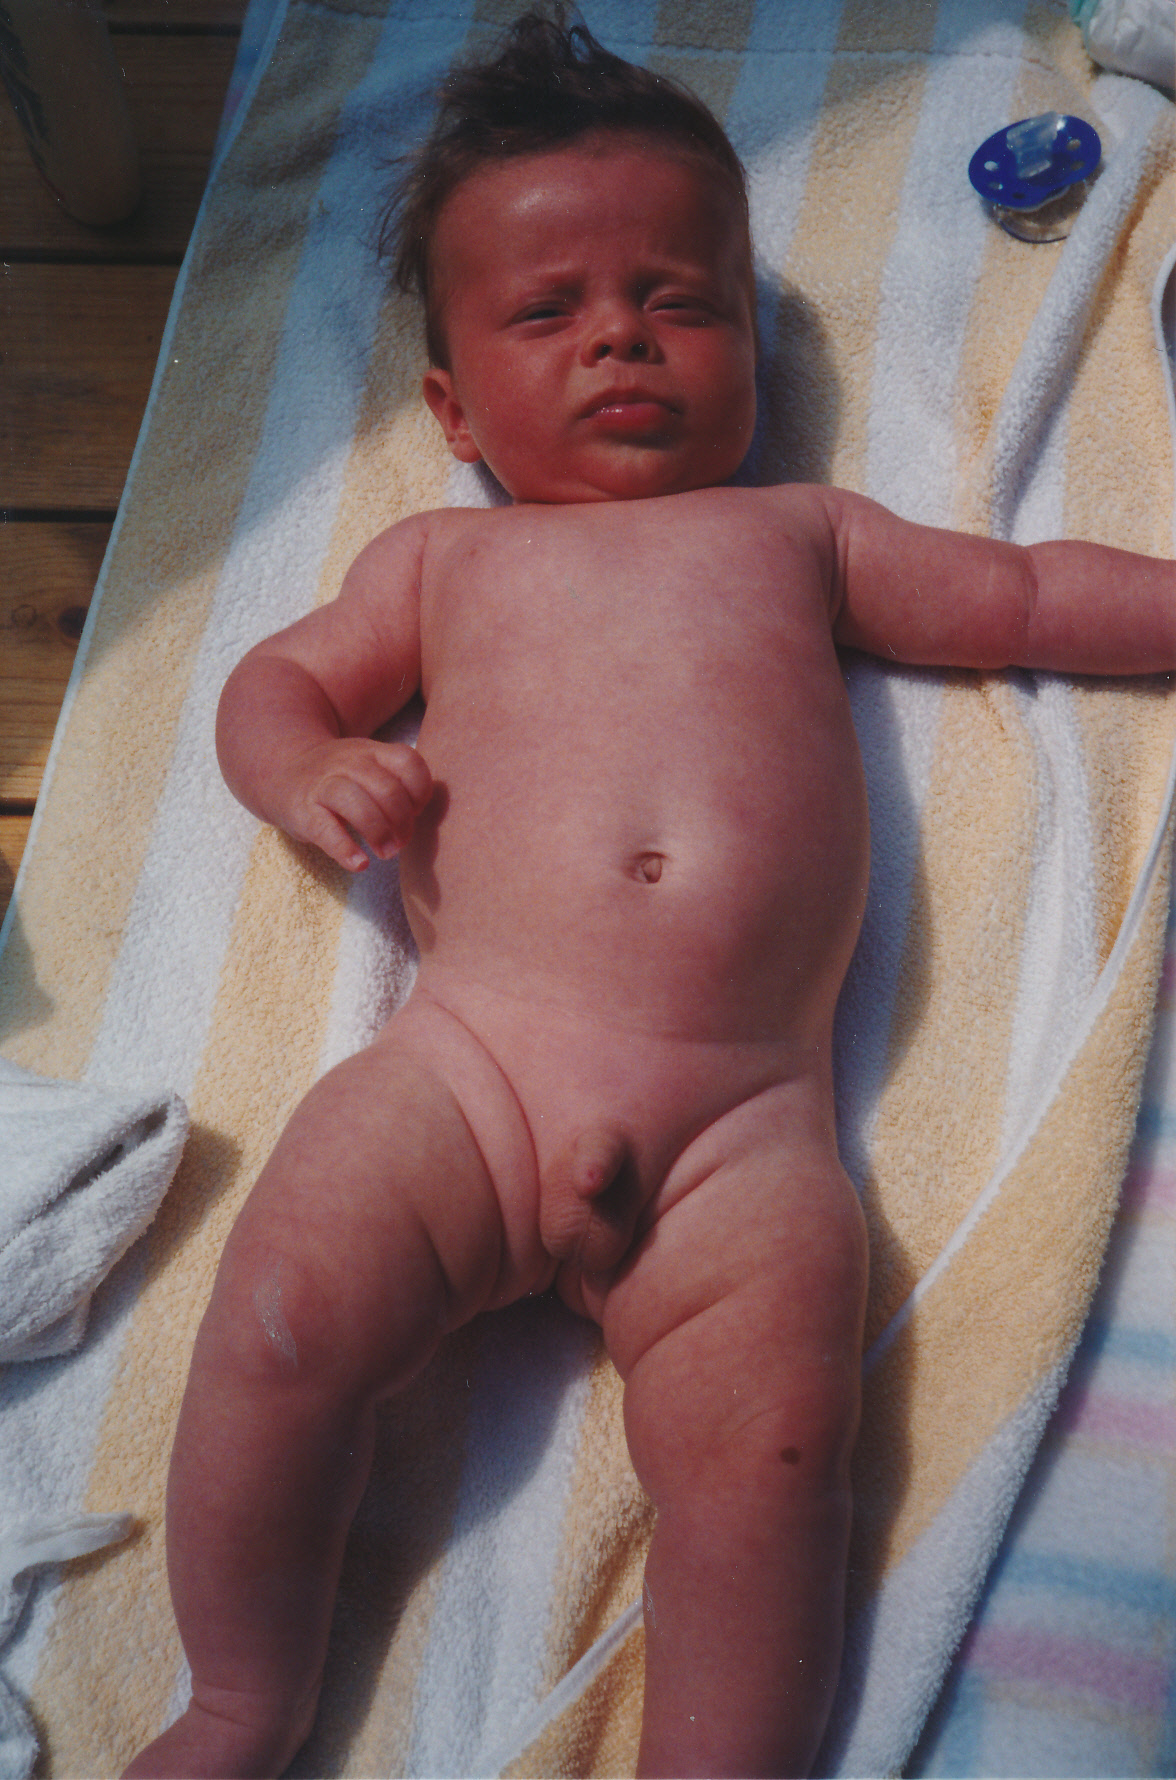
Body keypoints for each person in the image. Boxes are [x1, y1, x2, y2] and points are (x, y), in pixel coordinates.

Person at [125, 13, 1175, 1778]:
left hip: (739, 1129)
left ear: (750, 346)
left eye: (680, 300)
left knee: (776, 1461)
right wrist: (305, 769)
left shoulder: (799, 533)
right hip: (469, 1073)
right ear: (453, 409)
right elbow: (271, 685)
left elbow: (1020, 597)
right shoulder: (440, 559)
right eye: (550, 312)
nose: (621, 333)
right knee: (284, 1318)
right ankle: (238, 1696)